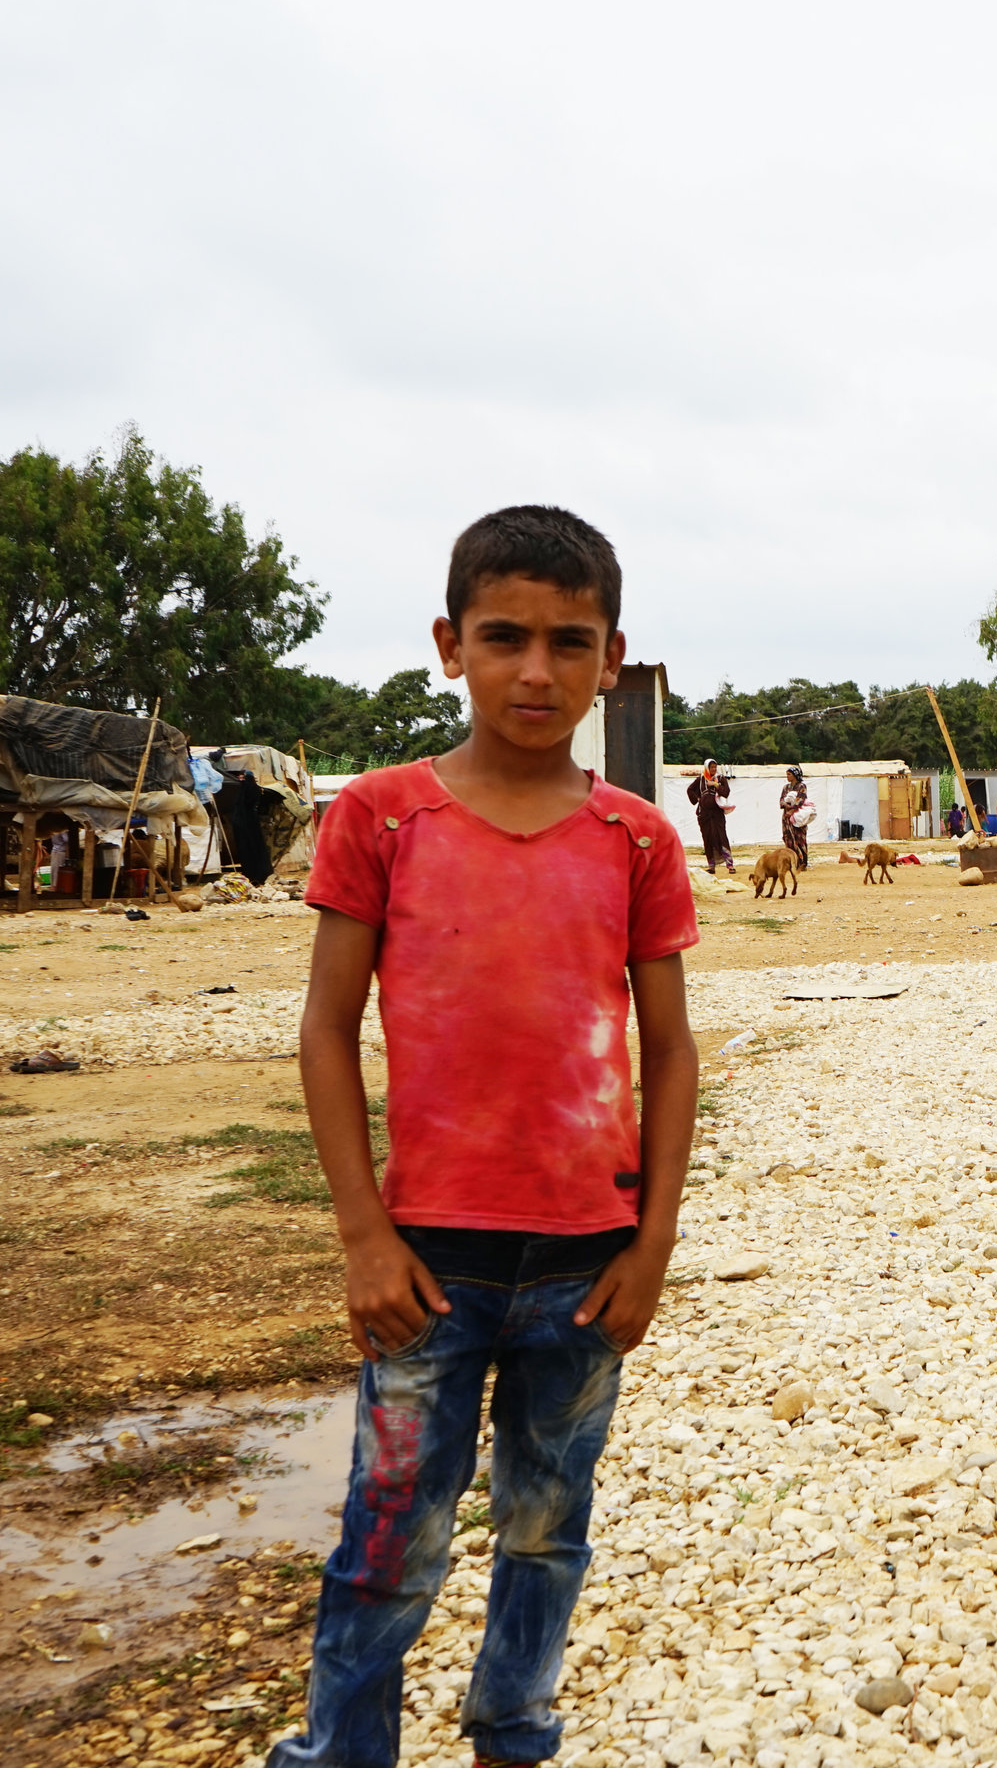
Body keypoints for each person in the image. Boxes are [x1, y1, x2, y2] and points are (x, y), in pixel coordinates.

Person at [273, 505, 699, 1768]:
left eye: (569, 643)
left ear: (610, 657)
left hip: (586, 1264)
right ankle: (342, 1751)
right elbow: (325, 1025)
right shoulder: (386, 819)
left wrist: (654, 1243)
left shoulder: (635, 836)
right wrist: (362, 1234)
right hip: (427, 1266)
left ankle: (514, 1730)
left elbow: (668, 1047)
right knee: (390, 1539)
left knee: (545, 1527)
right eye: (504, 636)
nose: (536, 670)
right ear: (449, 644)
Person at [687, 758, 734, 873]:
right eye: (711, 767)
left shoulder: (720, 778)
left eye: (715, 767)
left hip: (717, 813)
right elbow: (690, 790)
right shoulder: (701, 779)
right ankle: (711, 865)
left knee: (721, 836)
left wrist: (716, 784)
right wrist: (698, 799)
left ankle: (730, 864)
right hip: (704, 814)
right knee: (707, 837)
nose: (713, 769)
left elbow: (726, 792)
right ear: (707, 768)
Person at [778, 766, 813, 870]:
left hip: (798, 816)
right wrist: (787, 807)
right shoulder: (786, 788)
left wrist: (792, 809)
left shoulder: (801, 786)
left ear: (795, 775)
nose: (787, 776)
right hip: (786, 817)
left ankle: (802, 863)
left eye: (789, 774)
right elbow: (781, 800)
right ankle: (791, 861)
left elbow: (800, 800)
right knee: (788, 837)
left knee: (799, 838)